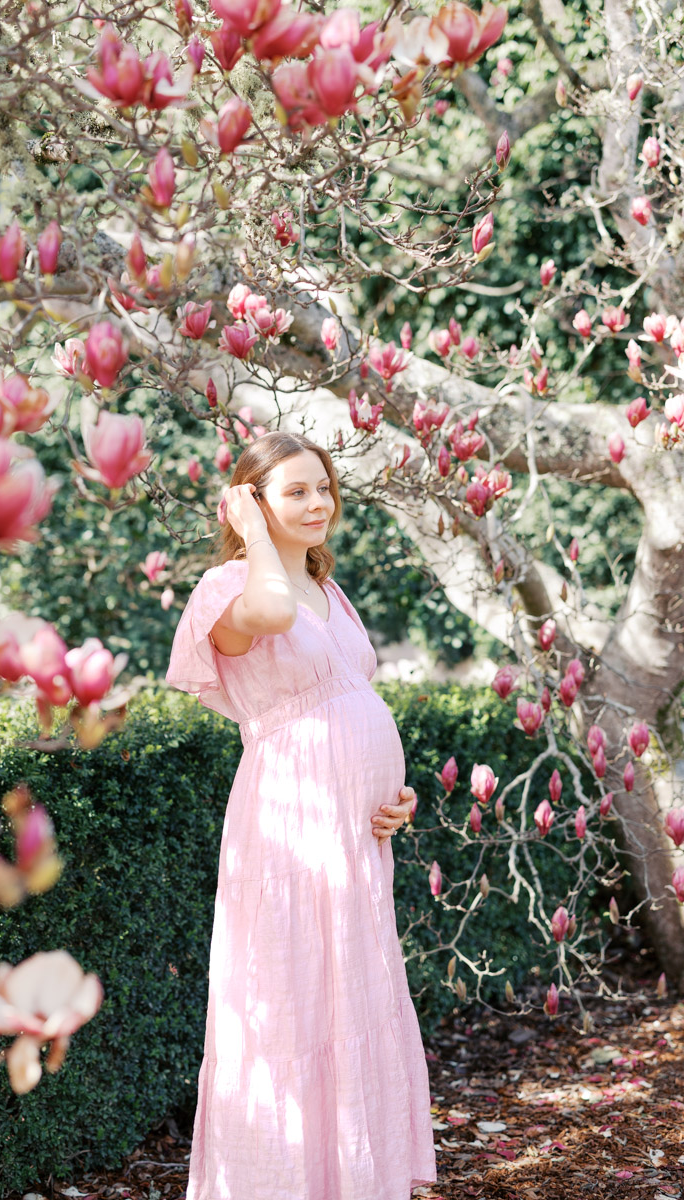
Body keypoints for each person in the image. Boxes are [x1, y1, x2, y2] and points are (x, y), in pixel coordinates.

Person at [166, 430, 437, 1200]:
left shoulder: (331, 590)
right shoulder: (227, 588)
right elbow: (272, 614)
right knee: (289, 1002)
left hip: (352, 839)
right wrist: (253, 537)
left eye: (323, 486)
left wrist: (393, 795)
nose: (318, 503)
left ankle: (353, 1181)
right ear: (252, 501)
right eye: (294, 492)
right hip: (289, 832)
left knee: (348, 993)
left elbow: (353, 703)